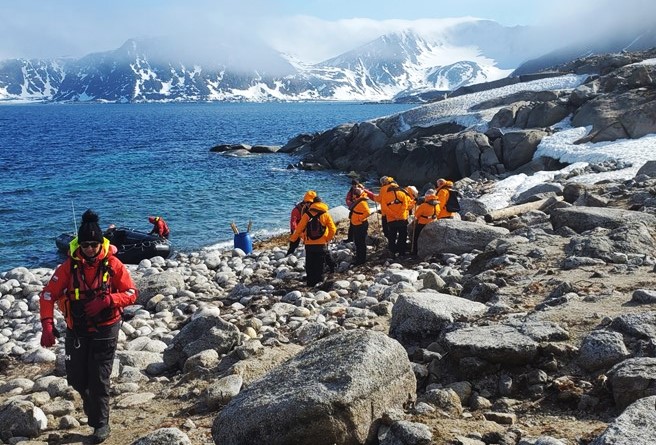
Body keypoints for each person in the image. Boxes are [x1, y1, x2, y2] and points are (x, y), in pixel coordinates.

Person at [39, 209, 137, 443]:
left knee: (99, 377)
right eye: (86, 245)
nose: (90, 249)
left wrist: (108, 299)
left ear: (100, 243)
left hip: (106, 327)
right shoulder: (68, 268)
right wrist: (47, 325)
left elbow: (132, 293)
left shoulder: (113, 264)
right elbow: (47, 295)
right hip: (77, 329)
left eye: (94, 244)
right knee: (76, 379)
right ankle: (91, 403)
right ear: (79, 245)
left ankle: (101, 424)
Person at [290, 193, 337, 286]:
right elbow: (333, 229)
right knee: (320, 264)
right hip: (322, 244)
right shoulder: (325, 214)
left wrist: (292, 240)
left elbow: (299, 229)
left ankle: (310, 282)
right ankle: (319, 281)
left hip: (309, 244)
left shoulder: (307, 215)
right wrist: (327, 238)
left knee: (310, 264)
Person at [377, 177, 413, 258]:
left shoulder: (385, 195)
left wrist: (394, 215)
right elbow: (405, 205)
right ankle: (401, 252)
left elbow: (384, 208)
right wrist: (399, 214)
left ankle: (392, 252)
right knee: (402, 236)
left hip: (391, 219)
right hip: (402, 218)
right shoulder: (403, 194)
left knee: (392, 236)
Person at [286, 191, 316, 256]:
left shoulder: (315, 208)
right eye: (307, 202)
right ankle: (289, 253)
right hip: (297, 227)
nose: (309, 204)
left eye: (310, 203)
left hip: (308, 225)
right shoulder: (296, 210)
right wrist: (299, 233)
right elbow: (293, 223)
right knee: (294, 242)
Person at [412, 189, 440, 255]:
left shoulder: (423, 205)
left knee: (416, 237)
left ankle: (415, 251)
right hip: (433, 223)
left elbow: (416, 215)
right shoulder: (437, 205)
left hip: (423, 223)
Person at [348, 185, 372, 265]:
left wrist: (360, 218)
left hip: (360, 224)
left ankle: (361, 260)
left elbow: (368, 212)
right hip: (357, 224)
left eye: (353, 194)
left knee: (360, 243)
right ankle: (360, 258)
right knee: (358, 242)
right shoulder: (359, 200)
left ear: (355, 195)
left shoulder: (362, 202)